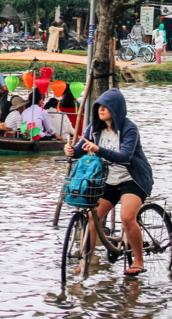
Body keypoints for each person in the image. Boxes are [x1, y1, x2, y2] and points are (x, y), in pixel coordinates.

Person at [65, 89, 154, 276]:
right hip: (109, 180)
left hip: (133, 178)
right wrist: (71, 151)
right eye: (99, 106)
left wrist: (99, 149)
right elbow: (81, 150)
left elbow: (125, 156)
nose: (101, 110)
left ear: (116, 109)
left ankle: (138, 260)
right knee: (92, 216)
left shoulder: (129, 129)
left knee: (127, 217)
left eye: (106, 107)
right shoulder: (94, 128)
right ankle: (85, 262)